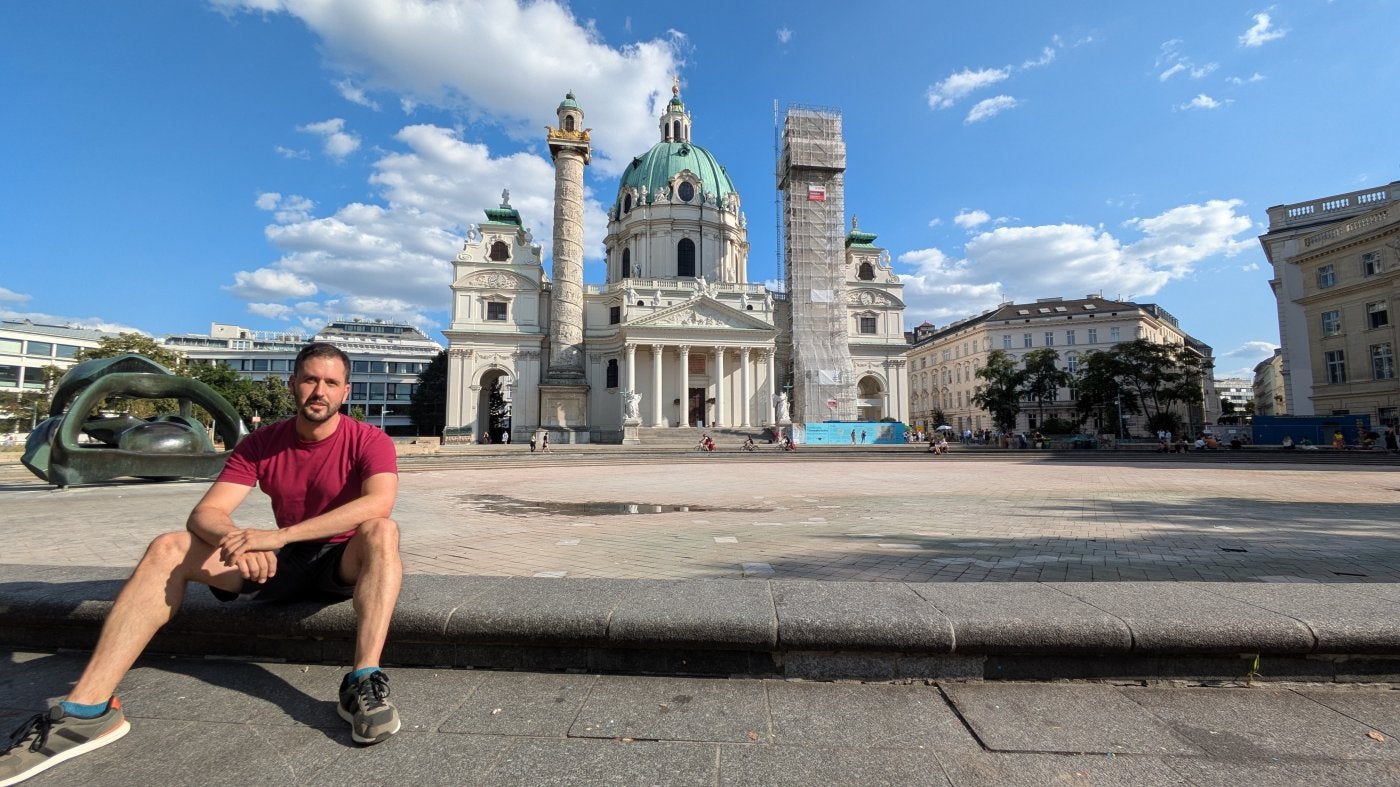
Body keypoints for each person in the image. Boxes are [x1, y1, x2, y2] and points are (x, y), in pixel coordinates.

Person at [1, 343, 403, 786]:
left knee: (382, 532)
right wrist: (240, 542)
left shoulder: (370, 440)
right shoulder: (261, 444)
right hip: (280, 565)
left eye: (330, 383)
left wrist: (279, 535)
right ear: (293, 384)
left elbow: (378, 503)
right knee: (169, 547)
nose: (318, 391)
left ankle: (362, 680)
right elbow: (204, 514)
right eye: (309, 379)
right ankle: (88, 710)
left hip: (342, 562)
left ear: (345, 392)